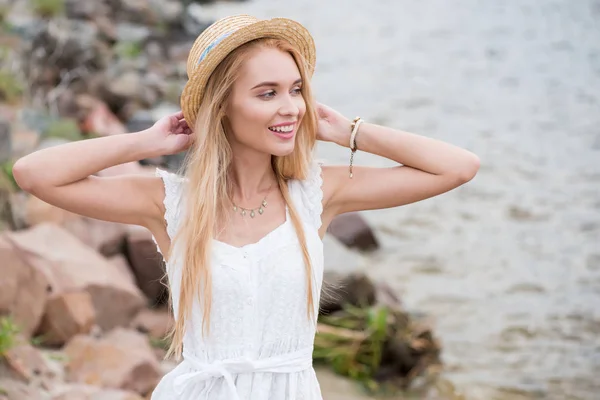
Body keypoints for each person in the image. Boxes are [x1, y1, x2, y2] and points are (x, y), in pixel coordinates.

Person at [13, 14, 479, 400]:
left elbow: (457, 167)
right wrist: (146, 140)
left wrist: (349, 131)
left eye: (297, 89)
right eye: (267, 93)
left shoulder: (316, 194)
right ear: (222, 108)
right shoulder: (171, 202)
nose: (292, 108)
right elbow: (33, 174)